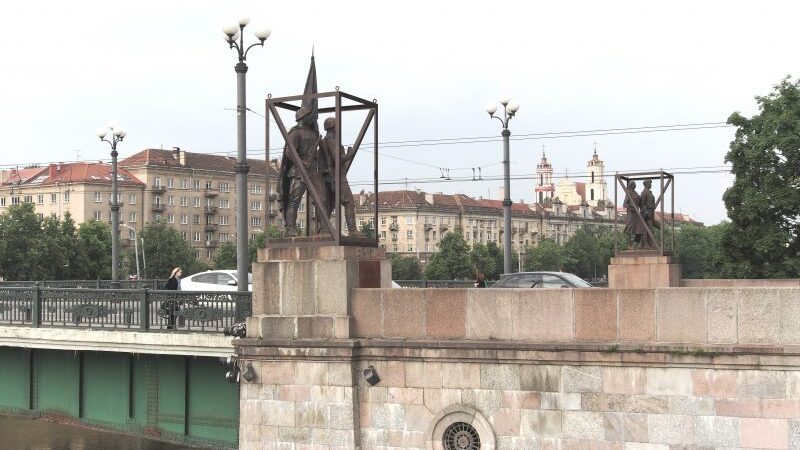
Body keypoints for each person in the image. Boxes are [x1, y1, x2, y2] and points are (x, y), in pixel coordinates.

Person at [319, 116, 360, 236]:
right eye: (337, 126)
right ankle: (352, 230)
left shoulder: (330, 140)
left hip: (333, 176)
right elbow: (337, 159)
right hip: (337, 178)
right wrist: (350, 154)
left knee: (330, 204)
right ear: (333, 127)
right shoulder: (331, 141)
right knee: (349, 202)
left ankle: (324, 229)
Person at [623, 180, 645, 249]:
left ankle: (636, 243)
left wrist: (642, 209)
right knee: (629, 229)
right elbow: (625, 204)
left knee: (641, 228)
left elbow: (640, 202)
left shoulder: (635, 193)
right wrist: (632, 209)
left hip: (637, 214)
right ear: (631, 185)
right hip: (631, 214)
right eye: (634, 184)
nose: (635, 185)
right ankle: (629, 244)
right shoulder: (628, 193)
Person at [639, 179, 657, 249]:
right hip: (647, 213)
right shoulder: (644, 192)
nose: (651, 185)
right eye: (650, 183)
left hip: (651, 212)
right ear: (646, 184)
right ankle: (647, 244)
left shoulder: (649, 192)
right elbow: (642, 204)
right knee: (648, 228)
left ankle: (650, 243)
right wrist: (646, 212)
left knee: (650, 228)